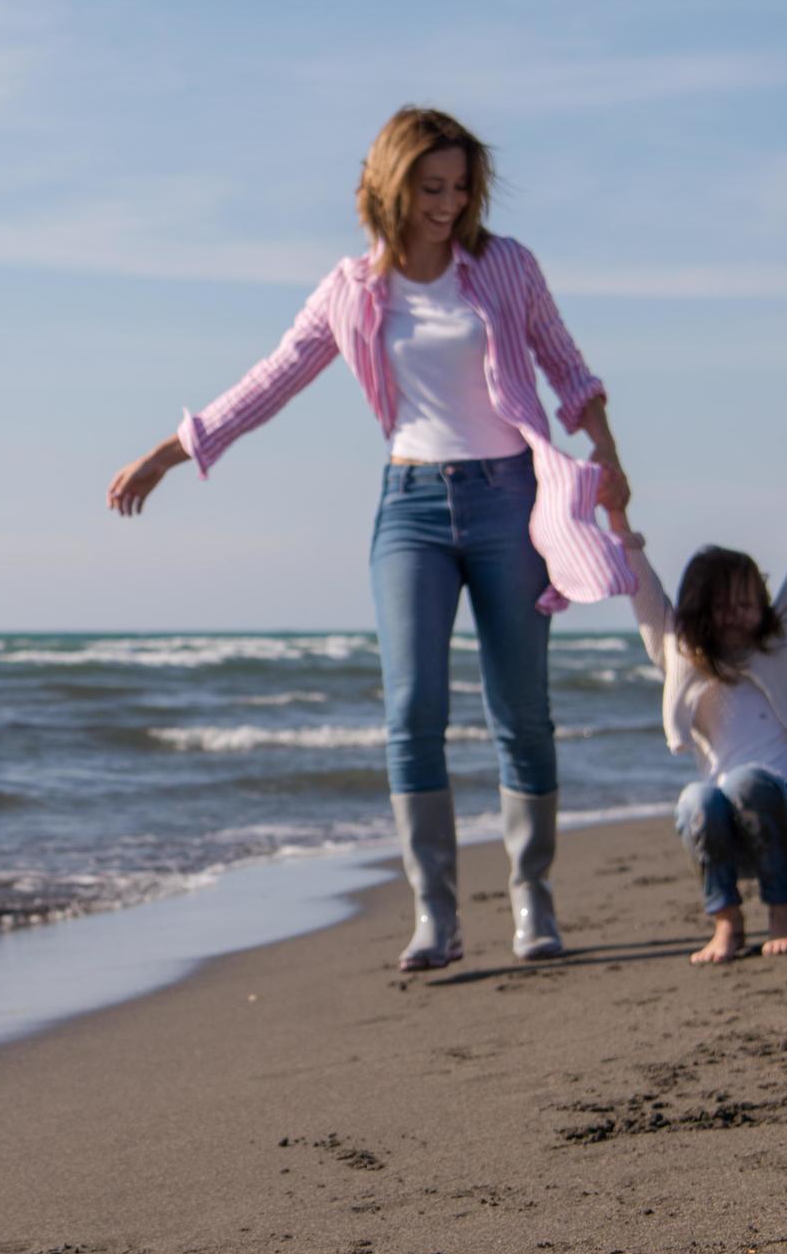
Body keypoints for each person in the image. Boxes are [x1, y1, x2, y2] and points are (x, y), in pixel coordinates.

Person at [108, 106, 633, 971]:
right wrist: (171, 452)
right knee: (411, 711)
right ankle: (436, 915)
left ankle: (532, 897)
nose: (449, 203)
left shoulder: (506, 267)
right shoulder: (352, 289)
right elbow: (273, 379)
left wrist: (608, 455)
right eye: (432, 187)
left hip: (510, 500)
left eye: (461, 187)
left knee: (521, 713)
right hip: (411, 506)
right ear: (392, 186)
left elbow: (567, 368)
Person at [617, 500, 787, 964]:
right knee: (694, 798)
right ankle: (726, 921)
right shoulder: (679, 654)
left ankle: (784, 908)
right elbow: (644, 595)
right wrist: (619, 522)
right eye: (724, 605)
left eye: (747, 602)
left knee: (747, 781)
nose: (738, 613)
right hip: (726, 835)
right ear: (698, 609)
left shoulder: (781, 643)